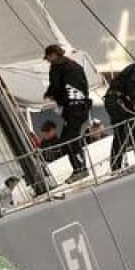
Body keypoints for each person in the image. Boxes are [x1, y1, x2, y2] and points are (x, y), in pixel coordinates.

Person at [42, 44, 91, 181]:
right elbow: (82, 86)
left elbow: (56, 86)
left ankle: (80, 170)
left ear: (53, 55)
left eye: (48, 57)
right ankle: (80, 169)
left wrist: (49, 94)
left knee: (69, 141)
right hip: (81, 107)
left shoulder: (58, 67)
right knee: (70, 140)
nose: (48, 61)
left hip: (73, 109)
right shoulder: (74, 65)